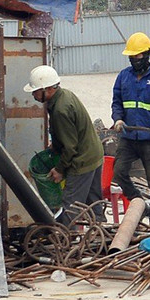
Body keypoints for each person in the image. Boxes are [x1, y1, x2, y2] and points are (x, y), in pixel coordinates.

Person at [110, 32, 150, 226]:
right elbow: (117, 102)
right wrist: (118, 119)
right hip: (129, 137)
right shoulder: (123, 77)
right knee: (119, 172)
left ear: (146, 54)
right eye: (132, 56)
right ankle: (139, 202)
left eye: (137, 56)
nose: (134, 60)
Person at [25, 65, 104, 222]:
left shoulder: (61, 109)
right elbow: (68, 132)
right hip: (94, 154)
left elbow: (70, 147)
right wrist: (55, 145)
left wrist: (60, 169)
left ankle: (68, 242)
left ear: (47, 89)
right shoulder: (64, 96)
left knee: (70, 206)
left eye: (35, 91)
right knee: (94, 202)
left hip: (82, 160)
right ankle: (102, 235)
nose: (33, 95)